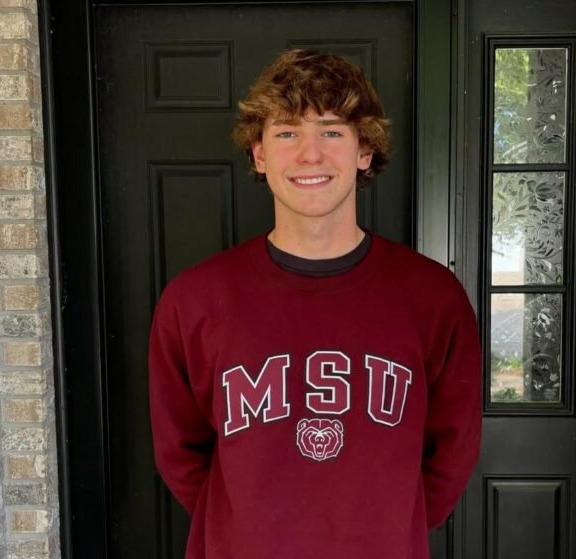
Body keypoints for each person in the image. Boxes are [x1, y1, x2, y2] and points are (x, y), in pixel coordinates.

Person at [149, 49, 481, 559]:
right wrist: (245, 529)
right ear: (259, 154)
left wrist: (389, 526)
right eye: (286, 133)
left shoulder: (433, 298)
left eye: (331, 131)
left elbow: (452, 453)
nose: (310, 154)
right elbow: (178, 452)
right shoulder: (195, 300)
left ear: (364, 150)